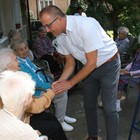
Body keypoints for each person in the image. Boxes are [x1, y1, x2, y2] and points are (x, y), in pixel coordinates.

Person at [39, 5, 121, 140]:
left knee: (109, 108)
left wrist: (70, 83)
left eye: (48, 26)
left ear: (59, 19)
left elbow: (92, 62)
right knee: (88, 104)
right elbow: (70, 63)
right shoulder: (59, 36)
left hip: (108, 64)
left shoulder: (86, 25)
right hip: (88, 67)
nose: (47, 30)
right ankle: (93, 136)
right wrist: (61, 81)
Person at [0, 48, 68, 140]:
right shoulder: (10, 85)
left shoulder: (11, 77)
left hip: (25, 114)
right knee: (54, 127)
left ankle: (61, 120)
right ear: (8, 66)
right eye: (16, 60)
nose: (19, 62)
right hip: (20, 123)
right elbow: (35, 107)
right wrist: (52, 90)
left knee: (51, 118)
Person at [10, 39, 76, 132]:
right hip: (37, 91)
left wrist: (49, 80)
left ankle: (62, 115)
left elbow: (38, 72)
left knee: (63, 89)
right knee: (62, 93)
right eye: (21, 49)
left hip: (43, 85)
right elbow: (33, 82)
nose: (25, 50)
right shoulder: (19, 65)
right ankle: (60, 121)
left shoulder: (26, 59)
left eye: (26, 47)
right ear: (16, 52)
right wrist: (49, 86)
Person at [0, 70, 40, 140]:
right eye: (32, 95)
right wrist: (32, 136)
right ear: (26, 99)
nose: (33, 97)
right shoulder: (25, 132)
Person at [117, 36, 140, 112]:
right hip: (132, 73)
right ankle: (115, 101)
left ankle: (116, 105)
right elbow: (132, 63)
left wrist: (130, 73)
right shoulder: (139, 50)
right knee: (117, 74)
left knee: (118, 79)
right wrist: (126, 69)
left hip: (136, 76)